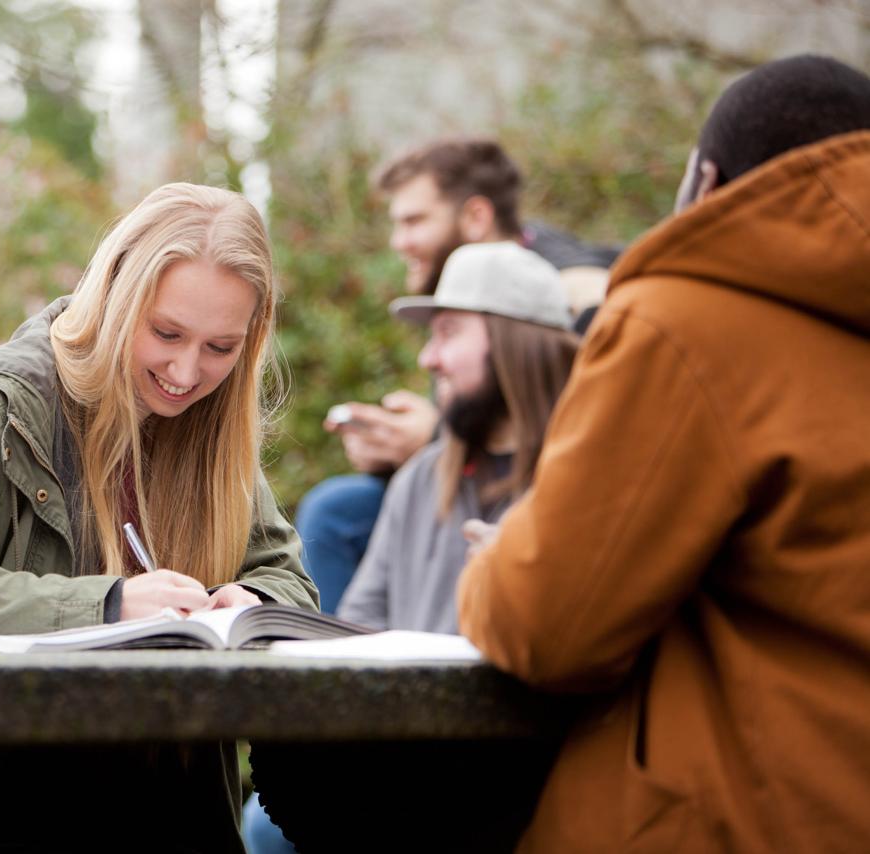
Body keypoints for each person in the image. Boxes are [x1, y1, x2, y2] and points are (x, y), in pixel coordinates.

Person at [0, 182, 319, 853]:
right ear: (115, 293)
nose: (185, 371)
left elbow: (287, 582)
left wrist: (250, 602)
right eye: (166, 333)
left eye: (220, 348)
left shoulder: (212, 427)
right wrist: (108, 605)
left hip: (161, 810)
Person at [458, 54, 870, 851]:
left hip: (737, 817)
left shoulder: (680, 320)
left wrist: (498, 563)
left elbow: (551, 626)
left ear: (705, 185)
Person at [243, 241, 578, 854]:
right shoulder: (424, 478)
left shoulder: (582, 478)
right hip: (417, 760)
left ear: (513, 340)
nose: (430, 357)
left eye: (448, 333)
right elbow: (361, 629)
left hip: (525, 773)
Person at [297, 138, 614, 614]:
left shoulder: (579, 299)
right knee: (340, 507)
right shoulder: (425, 475)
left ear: (476, 217)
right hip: (450, 479)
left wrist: (430, 437)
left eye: (414, 221)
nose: (398, 242)